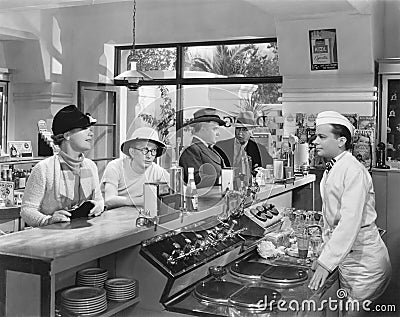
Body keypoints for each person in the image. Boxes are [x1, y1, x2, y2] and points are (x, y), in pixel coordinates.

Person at [309, 111, 391, 312]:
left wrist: (325, 263)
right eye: (315, 136)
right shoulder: (335, 167)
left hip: (364, 266)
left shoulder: (353, 170)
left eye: (322, 137)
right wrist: (324, 254)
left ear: (341, 141)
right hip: (350, 260)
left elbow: (349, 221)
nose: (314, 141)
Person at [21, 105, 104, 227]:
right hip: (51, 239)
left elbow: (99, 200)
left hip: (85, 235)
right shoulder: (44, 169)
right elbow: (27, 210)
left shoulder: (91, 166)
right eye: (85, 128)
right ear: (67, 135)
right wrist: (48, 220)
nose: (91, 133)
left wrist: (97, 207)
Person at [101, 127, 169, 209]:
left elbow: (177, 189)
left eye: (153, 150)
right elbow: (109, 200)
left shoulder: (155, 170)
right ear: (132, 152)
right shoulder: (115, 167)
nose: (149, 156)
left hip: (138, 216)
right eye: (145, 150)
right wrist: (143, 200)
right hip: (111, 216)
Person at [179, 108, 227, 188]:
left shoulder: (209, 149)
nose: (218, 134)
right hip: (205, 198)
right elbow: (195, 179)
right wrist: (222, 178)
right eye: (214, 129)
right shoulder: (191, 150)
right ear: (202, 129)